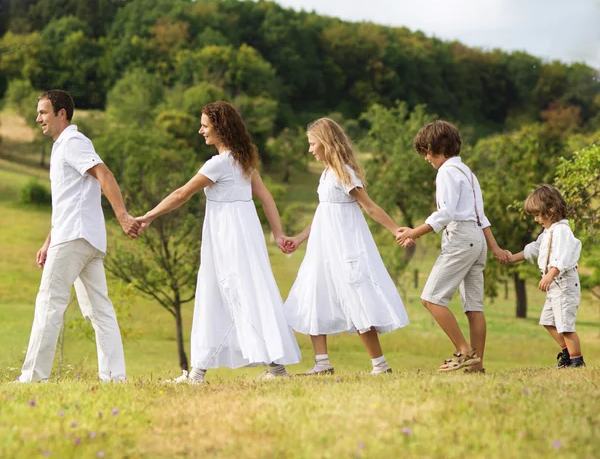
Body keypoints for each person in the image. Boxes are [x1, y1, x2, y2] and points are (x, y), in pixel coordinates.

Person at [136, 101, 301, 384]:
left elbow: (181, 194)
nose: (200, 131)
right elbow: (266, 197)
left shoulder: (220, 163)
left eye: (205, 125)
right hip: (244, 237)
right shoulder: (242, 159)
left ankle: (201, 374)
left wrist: (147, 216)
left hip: (227, 238)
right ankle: (274, 369)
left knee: (221, 292)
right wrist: (277, 234)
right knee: (250, 292)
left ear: (220, 128)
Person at [18, 90, 139, 383]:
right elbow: (69, 200)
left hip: (74, 238)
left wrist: (122, 215)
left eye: (44, 112)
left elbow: (104, 174)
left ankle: (32, 378)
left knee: (49, 303)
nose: (38, 119)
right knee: (99, 311)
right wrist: (49, 240)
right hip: (83, 237)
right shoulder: (62, 146)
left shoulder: (73, 142)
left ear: (62, 114)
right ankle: (114, 377)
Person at [283, 117, 410, 376]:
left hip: (344, 248)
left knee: (357, 300)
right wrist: (299, 238)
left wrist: (395, 228)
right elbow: (323, 213)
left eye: (312, 143)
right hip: (321, 251)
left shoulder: (344, 173)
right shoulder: (326, 173)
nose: (309, 149)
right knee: (312, 295)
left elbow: (369, 206)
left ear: (326, 142)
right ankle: (322, 363)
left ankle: (380, 364)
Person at [396, 120, 509, 373]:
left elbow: (445, 213)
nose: (426, 158)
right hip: (477, 240)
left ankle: (465, 351)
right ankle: (477, 367)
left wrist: (414, 232)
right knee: (474, 307)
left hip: (460, 238)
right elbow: (481, 216)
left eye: (426, 151)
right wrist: (494, 247)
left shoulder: (446, 172)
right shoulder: (468, 172)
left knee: (431, 298)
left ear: (439, 147)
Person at [502, 184, 585, 368]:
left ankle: (576, 361)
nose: (536, 219)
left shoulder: (562, 231)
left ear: (551, 209)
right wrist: (511, 258)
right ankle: (567, 353)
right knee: (548, 321)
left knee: (565, 325)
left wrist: (550, 274)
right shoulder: (548, 232)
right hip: (554, 285)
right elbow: (533, 249)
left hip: (564, 283)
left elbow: (562, 256)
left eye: (538, 215)